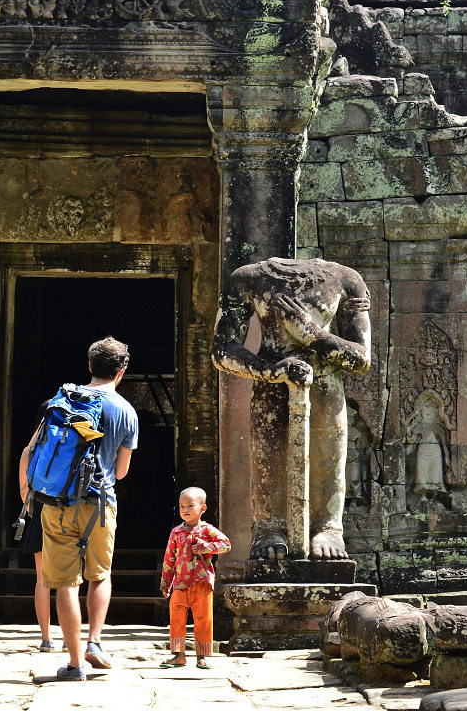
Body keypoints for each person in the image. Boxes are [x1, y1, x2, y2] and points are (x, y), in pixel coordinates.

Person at [212, 257, 371, 561]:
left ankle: (328, 528)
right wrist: (270, 370)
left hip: (325, 387)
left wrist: (311, 333)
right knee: (268, 457)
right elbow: (222, 350)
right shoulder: (248, 277)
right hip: (272, 388)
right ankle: (268, 528)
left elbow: (362, 358)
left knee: (327, 455)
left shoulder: (346, 279)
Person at [41, 336, 138, 682]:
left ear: (89, 366)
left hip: (58, 501)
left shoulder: (62, 397)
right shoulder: (126, 411)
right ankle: (95, 641)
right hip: (101, 502)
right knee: (99, 574)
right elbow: (122, 471)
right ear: (122, 371)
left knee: (66, 583)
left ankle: (74, 663)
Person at [160, 487, 231, 670]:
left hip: (202, 582)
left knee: (203, 619)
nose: (185, 509)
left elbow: (225, 545)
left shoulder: (208, 530)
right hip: (180, 583)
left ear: (203, 508)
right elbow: (169, 558)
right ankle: (178, 655)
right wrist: (166, 581)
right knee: (176, 619)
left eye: (190, 505)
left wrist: (206, 547)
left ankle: (202, 657)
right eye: (182, 506)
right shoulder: (176, 532)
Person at [18, 399, 57, 651]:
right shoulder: (72, 448)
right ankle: (72, 637)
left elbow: (24, 496)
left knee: (42, 580)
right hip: (67, 518)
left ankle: (46, 638)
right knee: (69, 581)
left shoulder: (29, 452)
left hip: (40, 517)